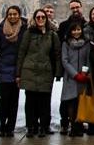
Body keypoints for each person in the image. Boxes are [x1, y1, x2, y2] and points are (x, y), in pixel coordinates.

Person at [17, 9, 61, 138]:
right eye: (38, 17)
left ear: (46, 19)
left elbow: (57, 54)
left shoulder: (52, 35)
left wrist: (58, 72)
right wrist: (18, 73)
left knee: (44, 102)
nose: (40, 19)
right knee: (30, 102)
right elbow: (22, 52)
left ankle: (43, 127)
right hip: (29, 71)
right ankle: (31, 127)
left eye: (43, 17)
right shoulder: (28, 33)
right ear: (35, 19)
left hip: (46, 71)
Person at [0, 6, 27, 138]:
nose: (12, 16)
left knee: (14, 100)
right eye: (10, 14)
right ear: (6, 15)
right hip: (3, 66)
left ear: (19, 15)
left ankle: (10, 128)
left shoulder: (24, 29)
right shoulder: (1, 28)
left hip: (17, 67)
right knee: (4, 99)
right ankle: (2, 126)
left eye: (15, 14)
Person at [60, 21, 92, 137]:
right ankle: (73, 127)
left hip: (83, 77)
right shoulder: (66, 43)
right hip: (71, 78)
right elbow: (65, 61)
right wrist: (75, 75)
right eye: (74, 30)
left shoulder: (86, 44)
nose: (76, 32)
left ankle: (80, 127)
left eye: (78, 29)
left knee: (81, 103)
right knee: (71, 103)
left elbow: (88, 59)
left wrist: (84, 73)